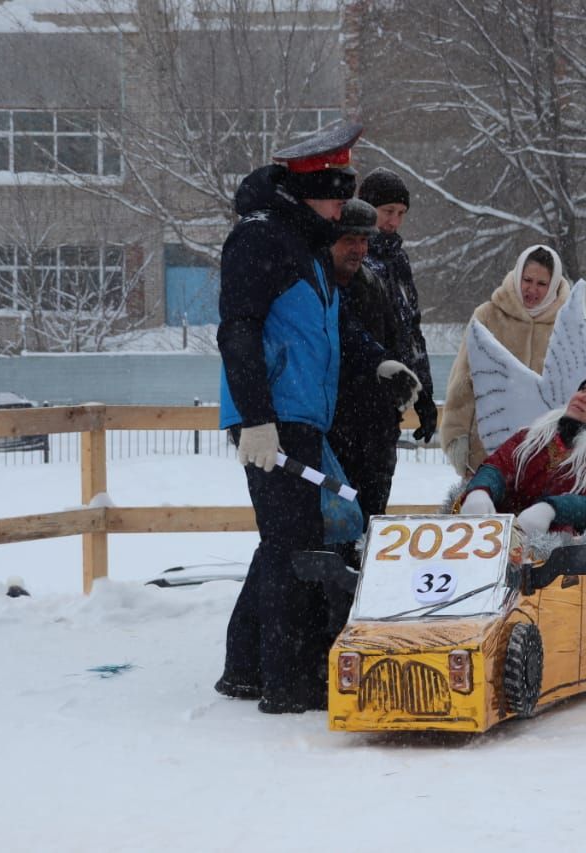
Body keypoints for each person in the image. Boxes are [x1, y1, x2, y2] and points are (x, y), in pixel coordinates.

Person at [215, 125, 419, 714]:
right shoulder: (260, 239)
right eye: (337, 195)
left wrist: (379, 362)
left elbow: (331, 327)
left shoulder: (306, 242)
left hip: (302, 416)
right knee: (292, 547)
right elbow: (239, 329)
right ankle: (287, 684)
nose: (343, 209)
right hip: (274, 419)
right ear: (310, 190)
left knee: (298, 543)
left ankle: (256, 670)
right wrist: (256, 418)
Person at [440, 244, 573, 476]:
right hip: (488, 447)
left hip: (549, 452)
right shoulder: (487, 316)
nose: (532, 289)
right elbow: (463, 380)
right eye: (527, 280)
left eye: (542, 284)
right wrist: (456, 435)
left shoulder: (569, 324)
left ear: (553, 285)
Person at [458, 371, 586, 535]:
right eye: (583, 389)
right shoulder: (531, 439)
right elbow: (498, 466)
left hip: (565, 564)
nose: (582, 397)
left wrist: (551, 509)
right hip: (495, 543)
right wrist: (480, 491)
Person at [327, 199, 405, 529]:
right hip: (333, 427)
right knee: (333, 527)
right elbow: (347, 336)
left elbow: (398, 341)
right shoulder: (317, 286)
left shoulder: (373, 285)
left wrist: (402, 401)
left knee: (372, 524)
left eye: (363, 241)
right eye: (349, 240)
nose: (358, 249)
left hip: (375, 429)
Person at [358, 168, 438, 445]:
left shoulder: (398, 260)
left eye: (401, 213)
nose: (394, 221)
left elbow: (411, 330)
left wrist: (424, 394)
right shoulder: (352, 256)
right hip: (359, 392)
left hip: (393, 398)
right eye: (388, 211)